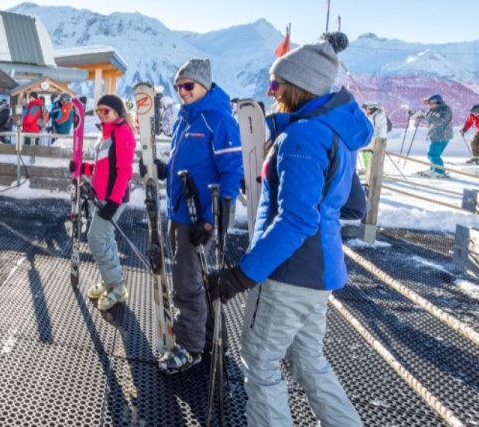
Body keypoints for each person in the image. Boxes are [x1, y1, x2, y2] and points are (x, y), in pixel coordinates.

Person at [205, 33, 370, 427]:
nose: (271, 91)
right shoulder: (337, 134)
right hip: (319, 275)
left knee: (260, 365)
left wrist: (242, 275)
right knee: (308, 363)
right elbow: (353, 204)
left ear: (299, 87)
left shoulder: (301, 135)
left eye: (277, 83)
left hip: (286, 274)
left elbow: (297, 219)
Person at [148, 58, 243, 374]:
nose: (182, 92)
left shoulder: (219, 120)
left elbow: (231, 174)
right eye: (178, 87)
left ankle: (188, 348)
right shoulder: (184, 121)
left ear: (204, 85)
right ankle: (212, 339)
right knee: (198, 281)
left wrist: (210, 220)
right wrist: (164, 171)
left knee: (186, 285)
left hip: (198, 217)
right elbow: (183, 164)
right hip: (179, 212)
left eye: (187, 86)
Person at [74, 93, 136, 310]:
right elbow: (103, 167)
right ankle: (112, 282)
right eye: (98, 111)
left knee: (96, 238)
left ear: (117, 112)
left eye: (105, 111)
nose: (101, 115)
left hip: (111, 199)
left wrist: (114, 202)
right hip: (99, 196)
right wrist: (83, 168)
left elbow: (124, 172)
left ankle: (116, 286)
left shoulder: (122, 133)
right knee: (106, 238)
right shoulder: (106, 134)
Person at [413, 94, 452, 177]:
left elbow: (440, 121)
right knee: (434, 154)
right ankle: (434, 169)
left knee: (432, 154)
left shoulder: (445, 110)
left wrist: (429, 116)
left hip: (441, 135)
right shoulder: (435, 109)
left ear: (437, 102)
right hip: (437, 135)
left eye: (431, 104)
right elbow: (427, 115)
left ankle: (439, 171)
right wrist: (417, 114)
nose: (430, 106)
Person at [359, 102, 388, 172]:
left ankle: (375, 169)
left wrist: (381, 141)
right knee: (364, 153)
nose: (365, 111)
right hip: (367, 139)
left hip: (376, 141)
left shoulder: (379, 117)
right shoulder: (368, 116)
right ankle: (367, 168)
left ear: (372, 109)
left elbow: (383, 129)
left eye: (367, 109)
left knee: (374, 155)